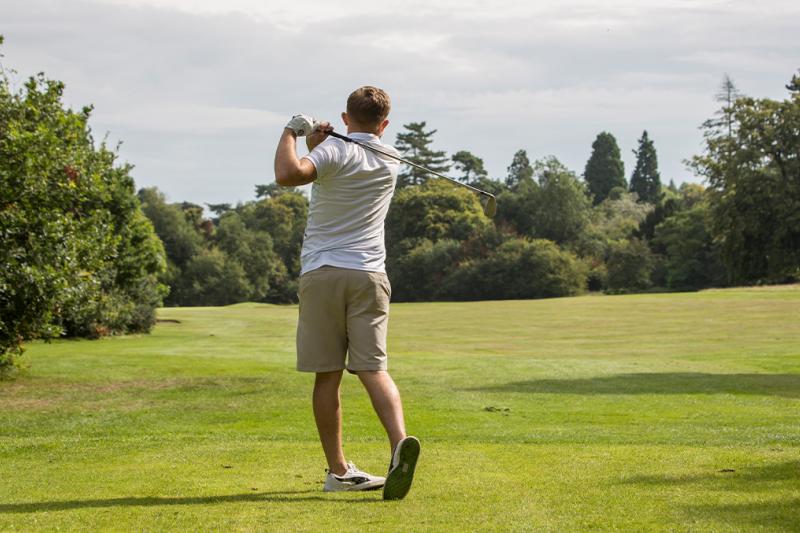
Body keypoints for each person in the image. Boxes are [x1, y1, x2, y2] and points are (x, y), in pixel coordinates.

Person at [273, 86, 419, 500]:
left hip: (322, 272)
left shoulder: (334, 152)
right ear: (385, 124)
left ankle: (338, 470)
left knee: (328, 374)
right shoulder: (391, 160)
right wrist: (322, 144)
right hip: (370, 275)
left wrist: (293, 131)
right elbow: (339, 162)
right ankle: (399, 444)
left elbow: (289, 175)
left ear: (345, 117)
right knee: (373, 368)